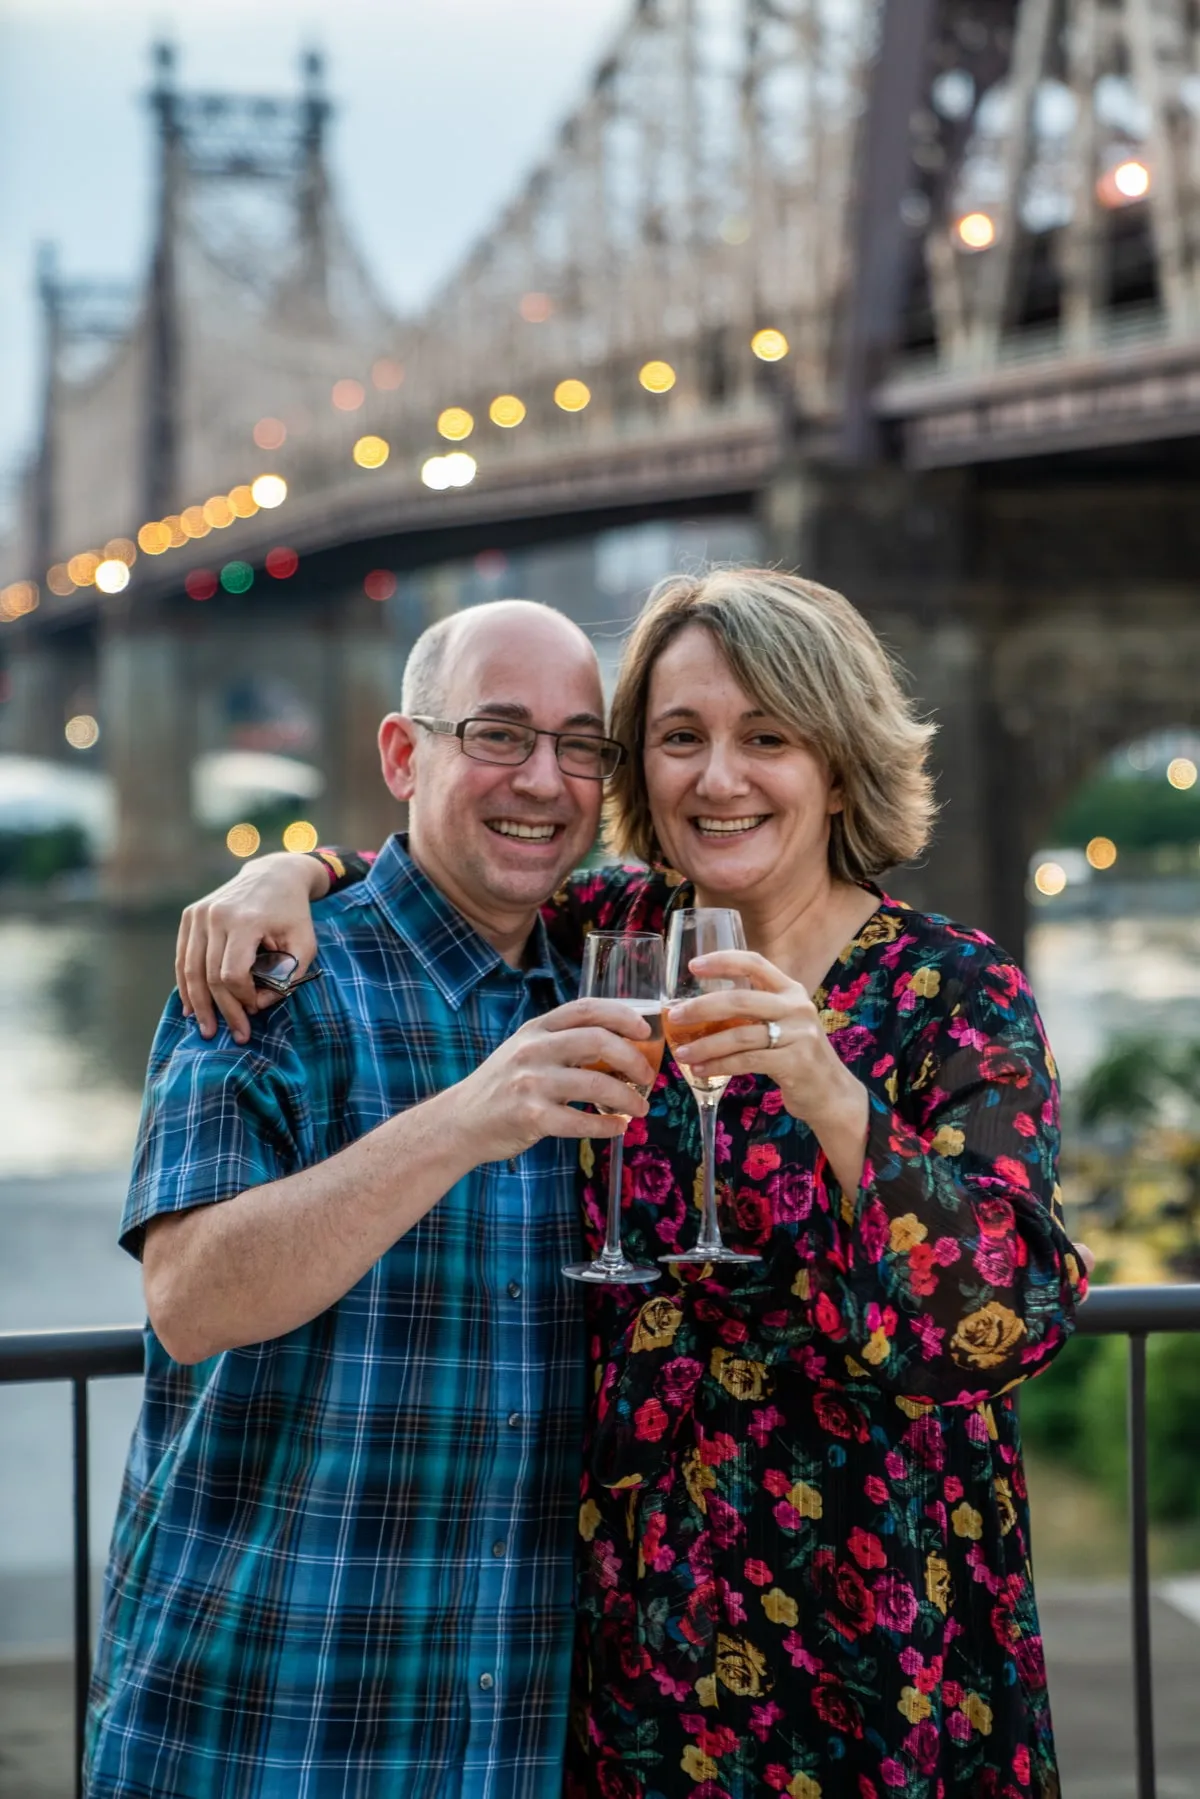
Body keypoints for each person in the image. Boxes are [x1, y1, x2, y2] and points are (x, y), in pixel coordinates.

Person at [178, 569, 1087, 1799]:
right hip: (640, 1667)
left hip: (884, 1648)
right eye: (678, 738)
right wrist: (292, 871)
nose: (719, 777)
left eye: (767, 736)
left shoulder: (950, 991)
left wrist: (828, 1091)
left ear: (838, 761)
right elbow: (459, 860)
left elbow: (1006, 1313)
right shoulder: (612, 935)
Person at [85, 600, 662, 1799]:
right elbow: (189, 1296)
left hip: (511, 1740)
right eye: (499, 734)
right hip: (262, 1725)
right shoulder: (274, 973)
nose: (545, 782)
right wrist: (466, 1118)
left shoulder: (607, 983)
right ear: (405, 754)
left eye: (580, 744)